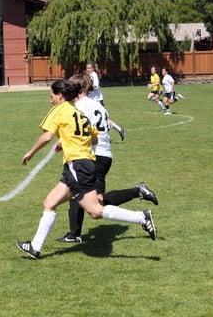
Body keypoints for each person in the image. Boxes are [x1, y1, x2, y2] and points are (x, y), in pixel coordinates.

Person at [16, 80, 157, 259]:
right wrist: (69, 142)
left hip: (78, 165)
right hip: (82, 163)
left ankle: (141, 217)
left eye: (51, 95)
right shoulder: (79, 113)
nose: (50, 99)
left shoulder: (59, 109)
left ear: (60, 96)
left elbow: (47, 136)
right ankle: (35, 247)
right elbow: (95, 138)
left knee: (95, 211)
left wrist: (31, 152)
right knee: (49, 203)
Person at [57, 73, 159, 243]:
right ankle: (74, 234)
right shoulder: (98, 106)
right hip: (104, 154)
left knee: (95, 204)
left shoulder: (80, 106)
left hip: (93, 155)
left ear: (78, 89)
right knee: (82, 195)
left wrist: (66, 142)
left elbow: (82, 130)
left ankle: (138, 195)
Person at [85, 61, 125, 141]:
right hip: (92, 101)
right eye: (87, 68)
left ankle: (106, 131)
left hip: (97, 101)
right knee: (101, 118)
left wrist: (88, 88)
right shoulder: (88, 76)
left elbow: (96, 86)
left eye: (90, 68)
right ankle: (119, 129)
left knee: (101, 118)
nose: (88, 69)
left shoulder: (93, 75)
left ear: (93, 68)